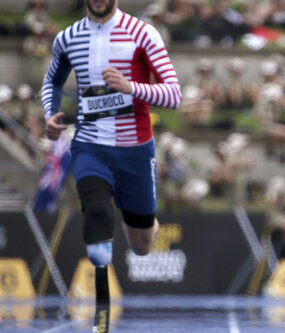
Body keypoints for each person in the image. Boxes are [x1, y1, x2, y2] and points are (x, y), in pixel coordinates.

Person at [41, 0, 181, 297]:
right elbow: (52, 81)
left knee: (141, 247)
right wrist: (49, 114)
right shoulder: (68, 38)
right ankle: (101, 309)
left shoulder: (143, 33)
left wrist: (132, 88)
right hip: (90, 147)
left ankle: (149, 223)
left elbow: (173, 94)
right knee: (97, 211)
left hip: (135, 151)